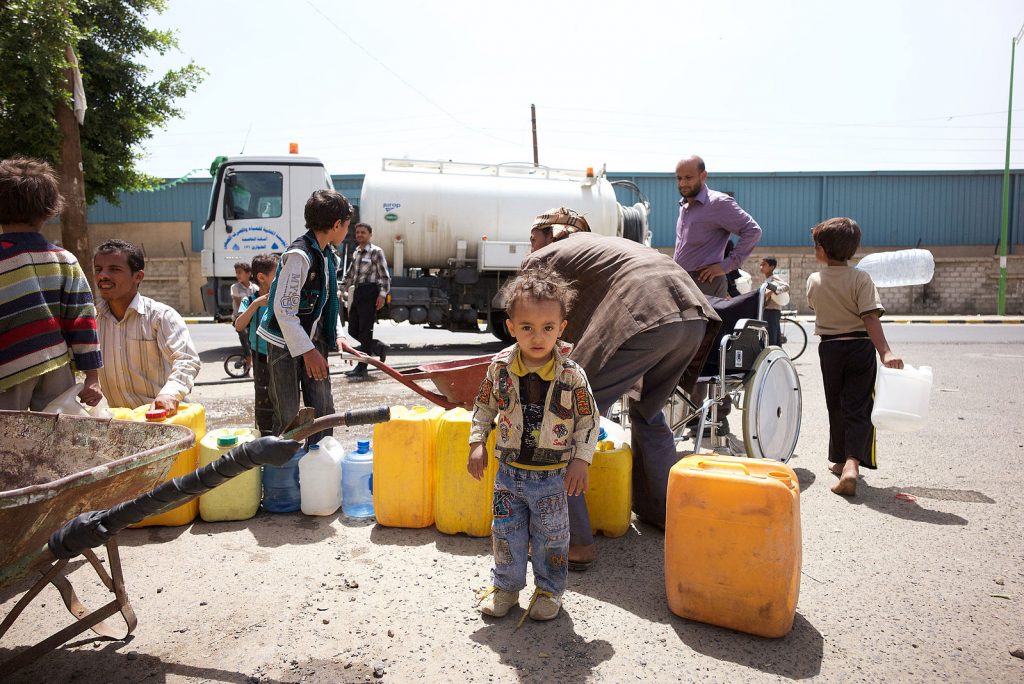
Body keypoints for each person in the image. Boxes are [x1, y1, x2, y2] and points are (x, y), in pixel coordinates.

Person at [522, 208, 721, 569]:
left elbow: (531, 328)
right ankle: (663, 513)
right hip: (692, 317)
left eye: (533, 237)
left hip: (646, 319)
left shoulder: (546, 257)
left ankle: (575, 543)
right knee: (648, 411)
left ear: (552, 233)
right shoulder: (604, 245)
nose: (530, 247)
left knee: (563, 420)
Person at [468, 265, 598, 622]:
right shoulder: (499, 368)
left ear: (561, 328)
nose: (537, 337)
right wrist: (477, 441)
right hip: (509, 475)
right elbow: (483, 407)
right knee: (505, 533)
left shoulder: (572, 376)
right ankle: (506, 588)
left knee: (552, 538)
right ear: (511, 328)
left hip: (552, 477)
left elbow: (588, 421)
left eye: (547, 328)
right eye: (527, 328)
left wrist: (581, 460)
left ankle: (549, 591)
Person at [806, 217, 903, 497]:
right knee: (859, 405)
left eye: (815, 246)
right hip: (860, 348)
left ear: (822, 250)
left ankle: (839, 460)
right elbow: (870, 316)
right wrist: (885, 351)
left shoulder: (815, 280)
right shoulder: (861, 278)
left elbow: (815, 305)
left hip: (830, 349)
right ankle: (851, 465)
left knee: (835, 404)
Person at [0, 157, 103, 411]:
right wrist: (92, 377)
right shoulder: (65, 260)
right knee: (55, 443)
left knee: (8, 443)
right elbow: (83, 320)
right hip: (56, 369)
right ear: (48, 209)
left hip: (6, 370)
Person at [257, 189, 350, 444]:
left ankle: (318, 468)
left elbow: (327, 302)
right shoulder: (299, 256)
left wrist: (339, 335)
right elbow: (284, 311)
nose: (347, 232)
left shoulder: (328, 255)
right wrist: (308, 351)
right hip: (285, 344)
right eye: (347, 226)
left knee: (322, 410)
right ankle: (284, 475)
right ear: (336, 225)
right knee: (288, 414)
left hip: (313, 340)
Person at [93, 239, 200, 414]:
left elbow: (186, 359)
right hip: (121, 423)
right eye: (98, 269)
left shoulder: (160, 316)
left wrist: (169, 395)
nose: (102, 275)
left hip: (161, 420)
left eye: (114, 269)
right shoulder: (92, 319)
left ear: (138, 276)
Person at [673, 155, 762, 298]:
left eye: (688, 178)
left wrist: (726, 266)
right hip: (683, 281)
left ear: (703, 176)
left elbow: (753, 231)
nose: (682, 183)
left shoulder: (718, 203)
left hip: (705, 283)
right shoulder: (684, 206)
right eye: (679, 178)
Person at [234, 253, 279, 436]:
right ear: (261, 277)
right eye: (277, 273)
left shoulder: (282, 298)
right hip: (260, 358)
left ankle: (281, 435)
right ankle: (265, 435)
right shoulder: (250, 300)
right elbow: (239, 325)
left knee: (281, 397)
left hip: (281, 355)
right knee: (263, 398)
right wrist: (257, 305)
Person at [340, 222, 391, 382]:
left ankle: (362, 368)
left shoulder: (376, 252)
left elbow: (384, 276)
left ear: (370, 235)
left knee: (365, 331)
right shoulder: (356, 252)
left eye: (363, 232)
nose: (360, 235)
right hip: (358, 292)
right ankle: (377, 347)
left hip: (370, 292)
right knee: (353, 330)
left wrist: (382, 295)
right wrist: (342, 289)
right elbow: (350, 274)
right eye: (357, 232)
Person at [231, 261, 258, 373]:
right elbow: (239, 305)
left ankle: (250, 361)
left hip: (252, 319)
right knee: (245, 339)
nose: (237, 275)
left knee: (254, 341)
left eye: (240, 272)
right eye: (236, 272)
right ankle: (248, 361)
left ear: (248, 273)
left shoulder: (255, 288)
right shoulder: (235, 287)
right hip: (240, 319)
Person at [760, 257, 790, 346]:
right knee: (774, 338)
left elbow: (786, 286)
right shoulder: (767, 279)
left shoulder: (774, 277)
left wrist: (773, 290)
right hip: (767, 311)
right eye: (761, 265)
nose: (761, 267)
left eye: (764, 264)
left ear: (771, 267)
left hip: (772, 311)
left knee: (771, 338)